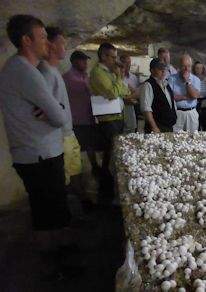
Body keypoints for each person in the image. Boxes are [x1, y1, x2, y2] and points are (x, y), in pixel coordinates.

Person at [0, 15, 71, 278]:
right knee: (46, 214)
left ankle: (58, 256)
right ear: (26, 40)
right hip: (37, 155)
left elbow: (56, 112)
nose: (47, 44)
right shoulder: (24, 72)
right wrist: (56, 113)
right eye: (42, 38)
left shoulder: (21, 69)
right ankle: (51, 267)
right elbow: (60, 116)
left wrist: (55, 112)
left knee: (52, 210)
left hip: (39, 152)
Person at [37, 27, 88, 209]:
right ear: (50, 45)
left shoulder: (53, 71)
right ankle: (66, 216)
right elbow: (40, 110)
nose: (64, 48)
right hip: (59, 136)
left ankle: (83, 207)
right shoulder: (44, 73)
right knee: (63, 179)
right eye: (62, 44)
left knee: (75, 172)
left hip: (67, 132)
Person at [89, 42, 130, 201]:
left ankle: (110, 193)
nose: (115, 60)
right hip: (107, 121)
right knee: (110, 159)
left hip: (117, 118)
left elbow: (125, 91)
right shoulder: (98, 73)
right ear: (103, 56)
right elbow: (113, 93)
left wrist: (119, 85)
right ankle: (105, 196)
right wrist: (119, 78)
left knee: (113, 157)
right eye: (112, 57)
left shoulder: (109, 72)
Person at [63, 51, 103, 179]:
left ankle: (94, 166)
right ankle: (76, 175)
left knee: (90, 144)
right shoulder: (67, 78)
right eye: (82, 61)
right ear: (74, 61)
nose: (86, 63)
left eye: (86, 61)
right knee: (77, 148)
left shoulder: (86, 76)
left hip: (89, 116)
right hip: (76, 119)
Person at [140, 58, 177, 133]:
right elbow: (146, 108)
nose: (163, 71)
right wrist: (154, 127)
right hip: (157, 127)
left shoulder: (166, 84)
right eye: (160, 69)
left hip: (168, 126)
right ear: (152, 70)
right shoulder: (148, 85)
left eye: (164, 69)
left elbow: (171, 103)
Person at [168, 53, 201, 132]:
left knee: (192, 138)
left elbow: (194, 95)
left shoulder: (196, 80)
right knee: (176, 137)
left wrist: (187, 82)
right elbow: (170, 96)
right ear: (179, 66)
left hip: (191, 113)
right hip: (177, 112)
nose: (186, 69)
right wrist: (185, 97)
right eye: (184, 66)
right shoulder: (172, 79)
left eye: (189, 66)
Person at [119, 53, 139, 133]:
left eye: (129, 62)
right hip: (121, 110)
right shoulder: (118, 80)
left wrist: (130, 97)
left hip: (133, 107)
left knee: (133, 129)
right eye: (125, 63)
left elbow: (137, 92)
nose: (128, 65)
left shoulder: (134, 78)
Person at [193, 61, 206, 131]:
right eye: (197, 68)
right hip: (195, 102)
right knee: (196, 124)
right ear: (194, 69)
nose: (198, 70)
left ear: (203, 69)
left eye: (200, 68)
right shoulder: (191, 80)